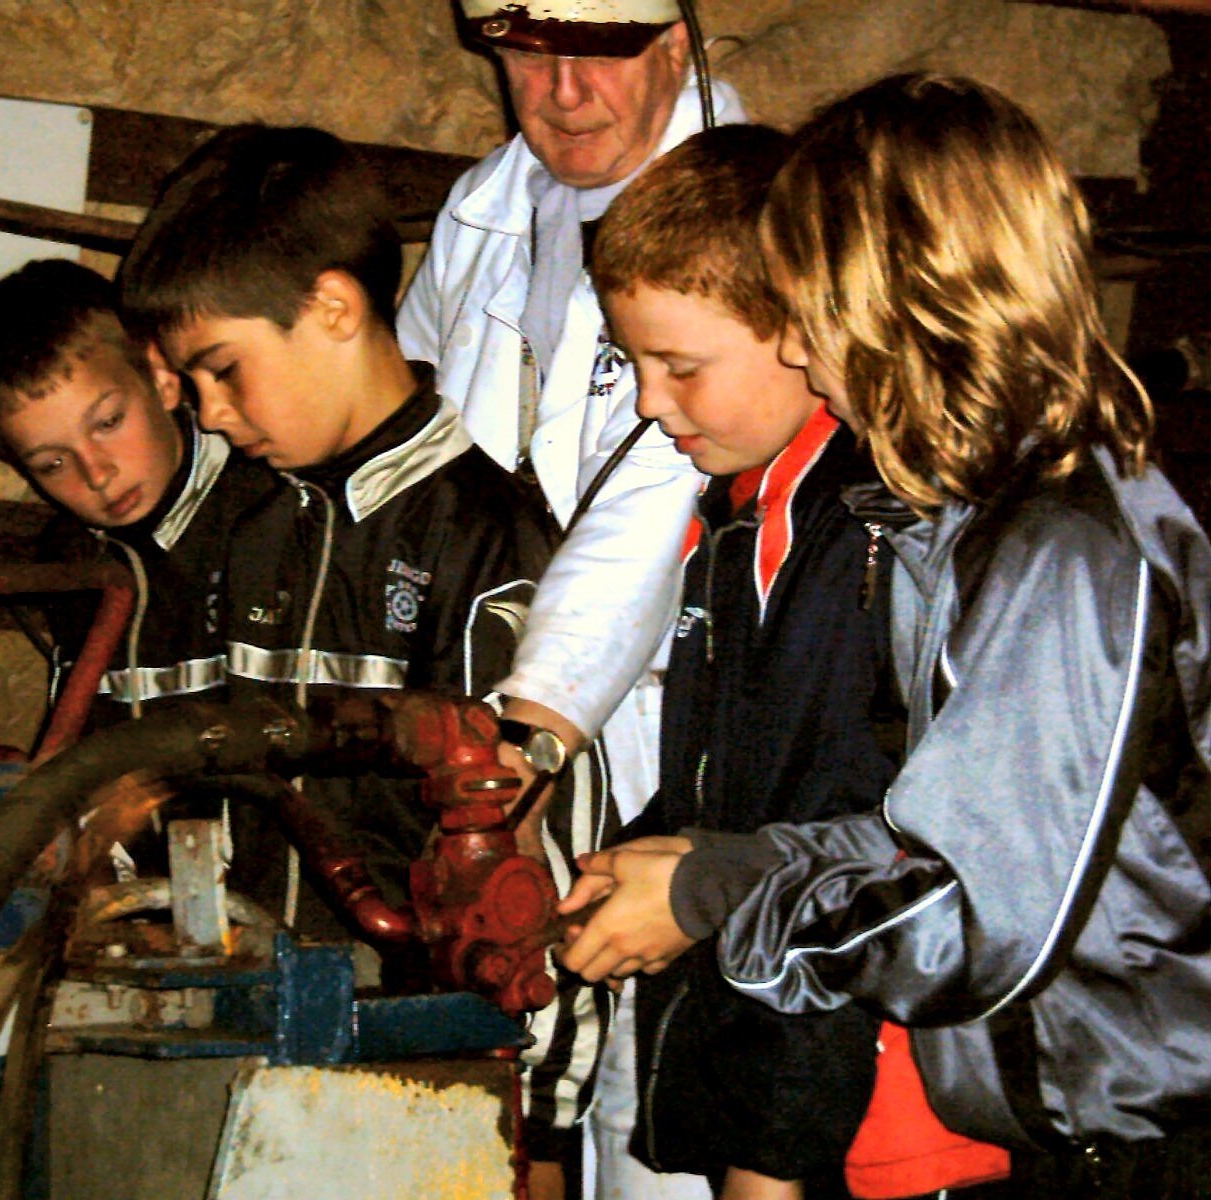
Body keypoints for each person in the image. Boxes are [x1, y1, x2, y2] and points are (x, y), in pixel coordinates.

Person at [561, 74, 1211, 1200]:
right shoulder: (963, 525)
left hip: (1142, 1154)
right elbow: (938, 836)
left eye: (812, 318)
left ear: (904, 305)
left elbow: (972, 918)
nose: (806, 361)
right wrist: (725, 862)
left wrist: (718, 897)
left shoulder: (1062, 545)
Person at [116, 123, 614, 1174]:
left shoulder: (485, 541)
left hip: (413, 1096)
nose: (206, 413)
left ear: (334, 308)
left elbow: (537, 880)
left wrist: (538, 1127)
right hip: (214, 1060)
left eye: (222, 370)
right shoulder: (224, 533)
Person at [400, 7, 740, 1194]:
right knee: (515, 1103)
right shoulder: (481, 214)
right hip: (499, 737)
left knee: (656, 1128)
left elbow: (659, 500)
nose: (562, 89)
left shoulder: (748, 215)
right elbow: (425, 452)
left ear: (679, 44)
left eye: (598, 51)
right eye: (526, 53)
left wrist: (529, 721)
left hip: (657, 732)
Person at [582, 122, 895, 1200]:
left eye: (681, 366)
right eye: (635, 364)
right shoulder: (740, 520)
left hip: (855, 1120)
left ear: (801, 328)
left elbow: (851, 841)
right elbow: (738, 796)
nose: (648, 402)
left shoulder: (860, 536)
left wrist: (769, 1161)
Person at [0, 258, 280, 723]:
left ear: (162, 378)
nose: (96, 474)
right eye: (53, 463)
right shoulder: (72, 559)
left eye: (108, 422)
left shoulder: (272, 508)